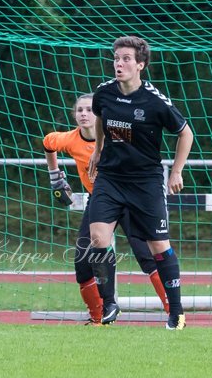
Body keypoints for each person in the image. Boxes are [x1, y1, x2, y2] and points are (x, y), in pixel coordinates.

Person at [86, 36, 194, 330]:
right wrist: (97, 150)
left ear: (141, 65)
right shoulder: (104, 93)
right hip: (110, 177)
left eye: (126, 59)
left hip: (145, 181)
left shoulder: (154, 101)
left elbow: (186, 133)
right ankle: (109, 304)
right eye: (116, 58)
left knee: (158, 245)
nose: (118, 64)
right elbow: (99, 117)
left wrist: (176, 172)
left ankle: (177, 311)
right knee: (98, 237)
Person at [43, 93, 169, 325]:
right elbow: (48, 143)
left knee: (148, 257)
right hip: (100, 201)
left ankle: (174, 312)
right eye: (79, 110)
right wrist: (55, 178)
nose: (83, 114)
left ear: (100, 114)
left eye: (89, 110)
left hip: (130, 199)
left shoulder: (117, 136)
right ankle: (99, 318)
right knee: (83, 263)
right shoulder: (70, 139)